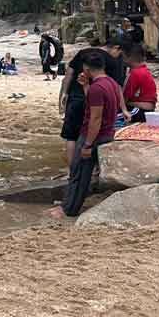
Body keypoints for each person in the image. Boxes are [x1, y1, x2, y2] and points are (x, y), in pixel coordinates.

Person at [51, 53, 124, 219]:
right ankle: (70, 205)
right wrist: (85, 86)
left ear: (86, 68)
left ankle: (68, 209)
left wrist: (87, 145)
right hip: (107, 132)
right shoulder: (110, 83)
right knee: (83, 172)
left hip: (93, 135)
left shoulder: (98, 88)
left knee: (78, 173)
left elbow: (95, 118)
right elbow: (95, 104)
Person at [60, 39, 126, 167]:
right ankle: (93, 168)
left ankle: (71, 169)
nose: (119, 56)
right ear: (115, 48)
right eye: (120, 53)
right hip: (96, 101)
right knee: (94, 133)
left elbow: (69, 74)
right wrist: (123, 108)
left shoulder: (82, 53)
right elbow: (117, 86)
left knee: (71, 136)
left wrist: (64, 93)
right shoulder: (111, 61)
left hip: (75, 99)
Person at [122, 43, 157, 122]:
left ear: (129, 58)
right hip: (146, 109)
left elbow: (125, 97)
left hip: (140, 110)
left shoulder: (135, 73)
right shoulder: (144, 70)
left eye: (123, 57)